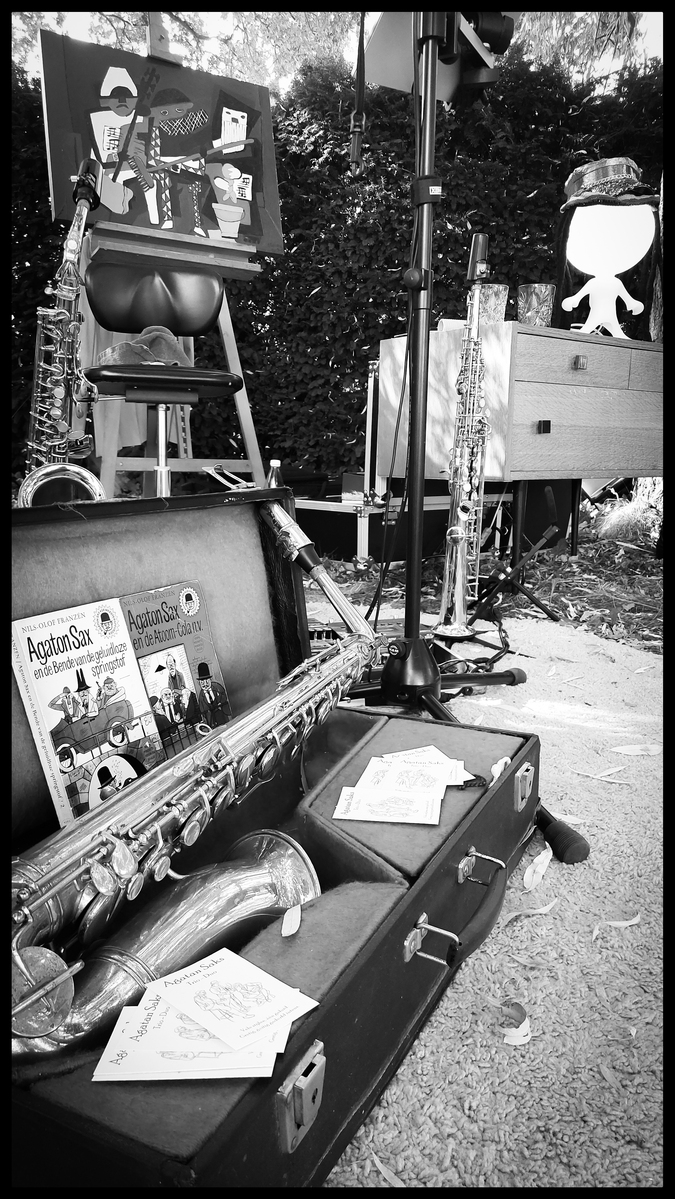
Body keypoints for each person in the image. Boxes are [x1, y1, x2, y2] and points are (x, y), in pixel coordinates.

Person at [196, 662, 231, 728]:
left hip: (222, 716)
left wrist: (221, 702)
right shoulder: (201, 696)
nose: (205, 684)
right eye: (202, 682)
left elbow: (225, 696)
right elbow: (202, 709)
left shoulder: (217, 687)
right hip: (212, 720)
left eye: (207, 681)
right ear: (199, 683)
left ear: (210, 680)